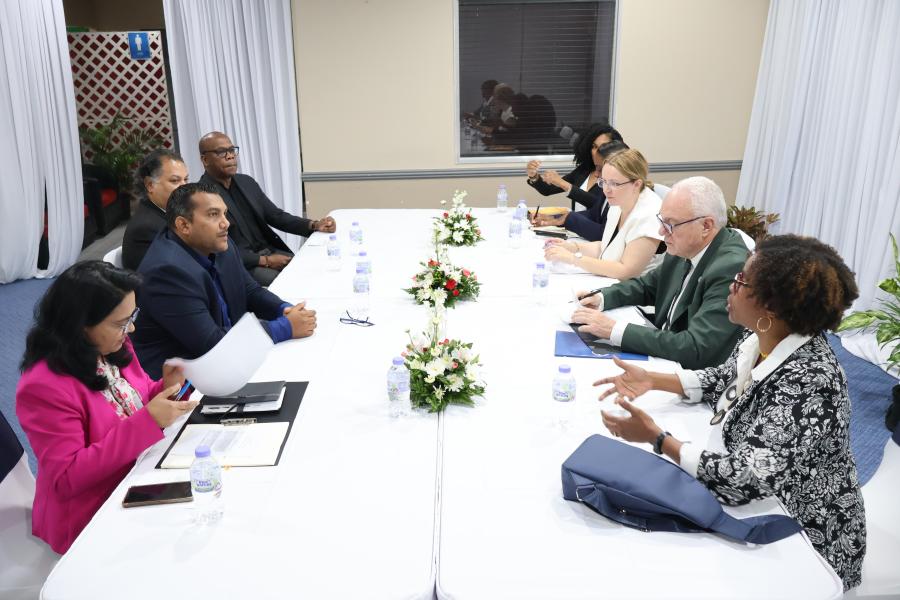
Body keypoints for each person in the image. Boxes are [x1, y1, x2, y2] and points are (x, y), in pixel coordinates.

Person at [595, 235, 865, 591]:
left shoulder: (811, 383)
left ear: (770, 305)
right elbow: (724, 378)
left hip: (803, 534)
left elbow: (743, 481)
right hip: (760, 500)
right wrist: (653, 379)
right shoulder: (762, 337)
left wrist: (658, 439)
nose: (731, 287)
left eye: (741, 281)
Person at [15, 261, 198, 554]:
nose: (131, 329)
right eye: (120, 323)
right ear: (80, 324)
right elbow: (67, 477)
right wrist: (149, 421)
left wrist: (164, 387)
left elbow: (131, 400)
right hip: (92, 513)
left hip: (139, 474)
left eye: (132, 317)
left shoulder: (113, 345)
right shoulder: (43, 386)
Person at [133, 183, 317, 379]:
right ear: (183, 225)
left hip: (228, 356)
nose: (226, 223)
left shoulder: (220, 244)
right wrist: (285, 327)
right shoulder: (167, 272)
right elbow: (213, 345)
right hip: (185, 379)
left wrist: (284, 310)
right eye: (213, 215)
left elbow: (249, 291)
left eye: (224, 213)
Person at [571, 176, 747, 369]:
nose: (662, 232)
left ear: (706, 226)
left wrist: (614, 330)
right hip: (664, 352)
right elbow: (648, 286)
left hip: (691, 375)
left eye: (671, 223)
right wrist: (601, 297)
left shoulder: (730, 267)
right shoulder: (685, 244)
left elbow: (696, 347)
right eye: (662, 220)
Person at [197, 131, 337, 286]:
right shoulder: (201, 196)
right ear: (205, 159)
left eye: (232, 150)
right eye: (221, 152)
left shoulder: (246, 182)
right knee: (294, 283)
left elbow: (276, 216)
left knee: (318, 269)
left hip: (271, 251)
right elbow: (216, 248)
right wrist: (265, 261)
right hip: (243, 265)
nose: (230, 156)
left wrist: (314, 225)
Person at [544, 148, 665, 279]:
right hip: (614, 280)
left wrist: (573, 258)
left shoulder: (649, 214)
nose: (606, 190)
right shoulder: (620, 200)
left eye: (614, 183)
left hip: (638, 290)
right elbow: (607, 247)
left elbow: (627, 271)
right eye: (604, 182)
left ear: (636, 184)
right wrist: (572, 247)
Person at [528, 123, 625, 241]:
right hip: (576, 232)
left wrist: (563, 184)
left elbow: (596, 205)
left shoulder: (617, 179)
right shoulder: (584, 170)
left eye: (602, 147)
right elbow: (548, 189)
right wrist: (534, 176)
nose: (597, 152)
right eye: (594, 146)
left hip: (592, 236)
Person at [122, 149, 190, 270]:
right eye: (175, 180)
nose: (184, 187)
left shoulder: (169, 212)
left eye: (186, 179)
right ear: (150, 184)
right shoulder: (146, 228)